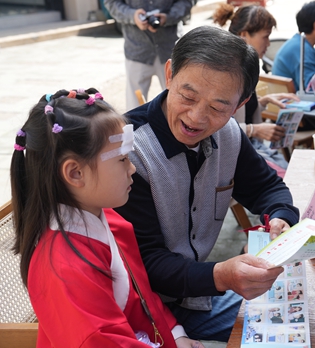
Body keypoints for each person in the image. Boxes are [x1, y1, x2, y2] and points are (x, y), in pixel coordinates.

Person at [114, 26, 301, 342]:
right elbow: (146, 263)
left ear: (240, 103)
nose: (196, 118)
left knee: (296, 318)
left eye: (217, 107)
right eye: (188, 96)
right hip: (145, 305)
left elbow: (266, 188)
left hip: (194, 293)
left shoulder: (228, 134)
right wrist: (222, 275)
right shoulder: (129, 153)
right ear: (170, 73)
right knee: (284, 328)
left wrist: (280, 217)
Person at [10, 88, 202, 347]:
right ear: (75, 173)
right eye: (122, 159)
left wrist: (175, 333)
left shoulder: (108, 218)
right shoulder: (64, 269)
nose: (132, 168)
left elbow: (141, 293)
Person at [104, 0, 195, 110]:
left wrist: (167, 17)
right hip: (137, 48)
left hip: (171, 48)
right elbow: (111, 1)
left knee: (178, 103)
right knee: (134, 107)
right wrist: (133, 16)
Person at [213, 3, 300, 169]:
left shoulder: (245, 67)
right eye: (265, 37)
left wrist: (264, 100)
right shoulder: (225, 73)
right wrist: (255, 130)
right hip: (235, 158)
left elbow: (242, 112)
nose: (268, 43)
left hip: (253, 149)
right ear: (244, 35)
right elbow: (216, 128)